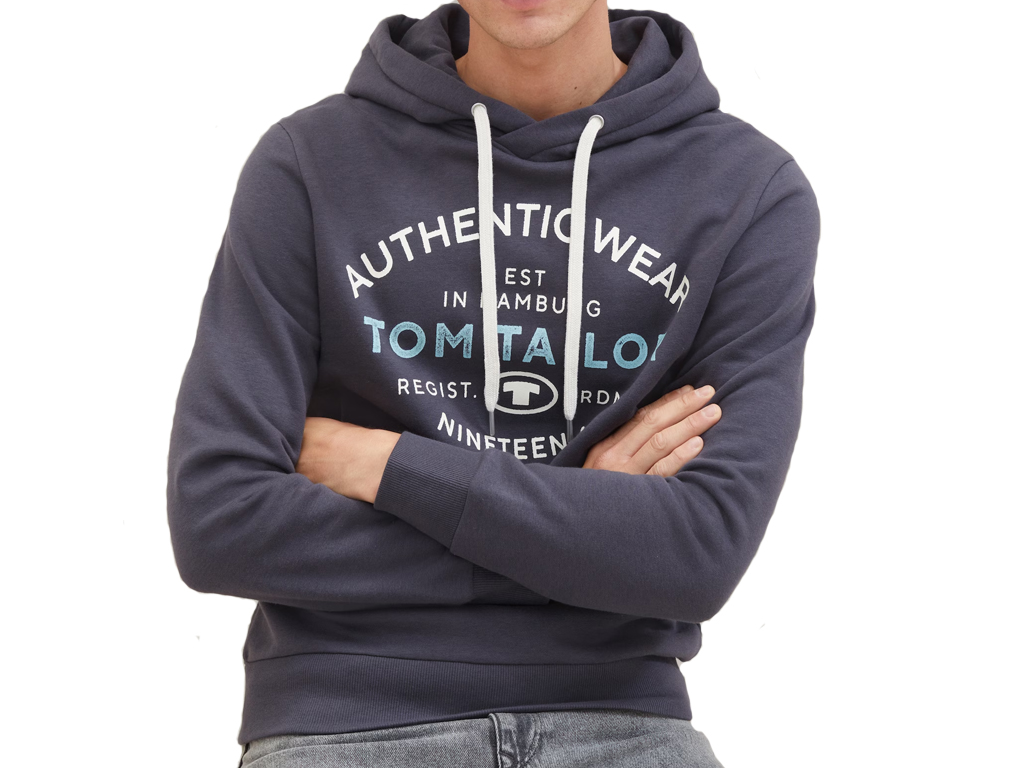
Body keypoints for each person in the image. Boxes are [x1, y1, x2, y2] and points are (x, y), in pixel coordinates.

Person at [166, 0, 819, 765]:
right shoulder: (310, 164)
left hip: (621, 722)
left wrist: (385, 465)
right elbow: (220, 522)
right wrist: (585, 527)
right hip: (344, 721)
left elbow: (698, 555)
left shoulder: (749, 189)